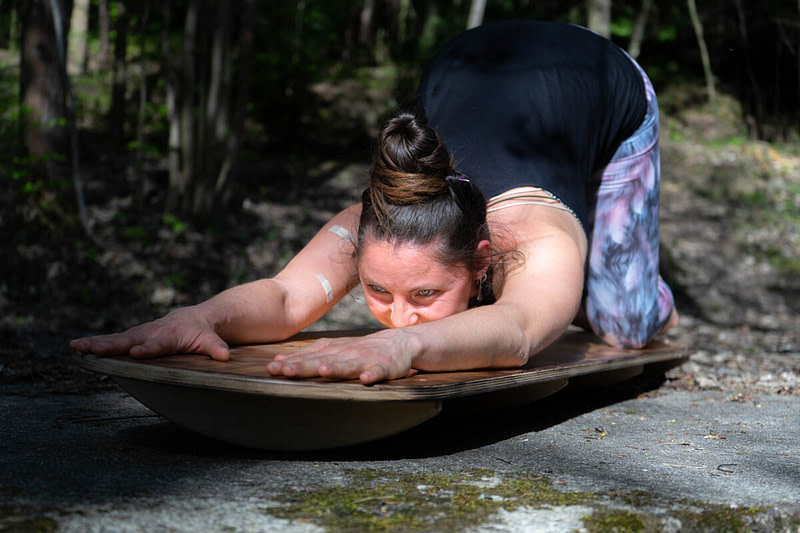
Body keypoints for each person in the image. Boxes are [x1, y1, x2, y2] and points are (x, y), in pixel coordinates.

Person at [70, 20, 678, 384]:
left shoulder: (533, 237)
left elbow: (518, 331)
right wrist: (200, 317)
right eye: (378, 292)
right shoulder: (381, 221)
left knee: (621, 325)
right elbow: (286, 296)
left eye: (423, 295)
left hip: (601, 81)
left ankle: (636, 285)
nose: (396, 317)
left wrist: (406, 348)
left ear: (483, 258)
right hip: (479, 59)